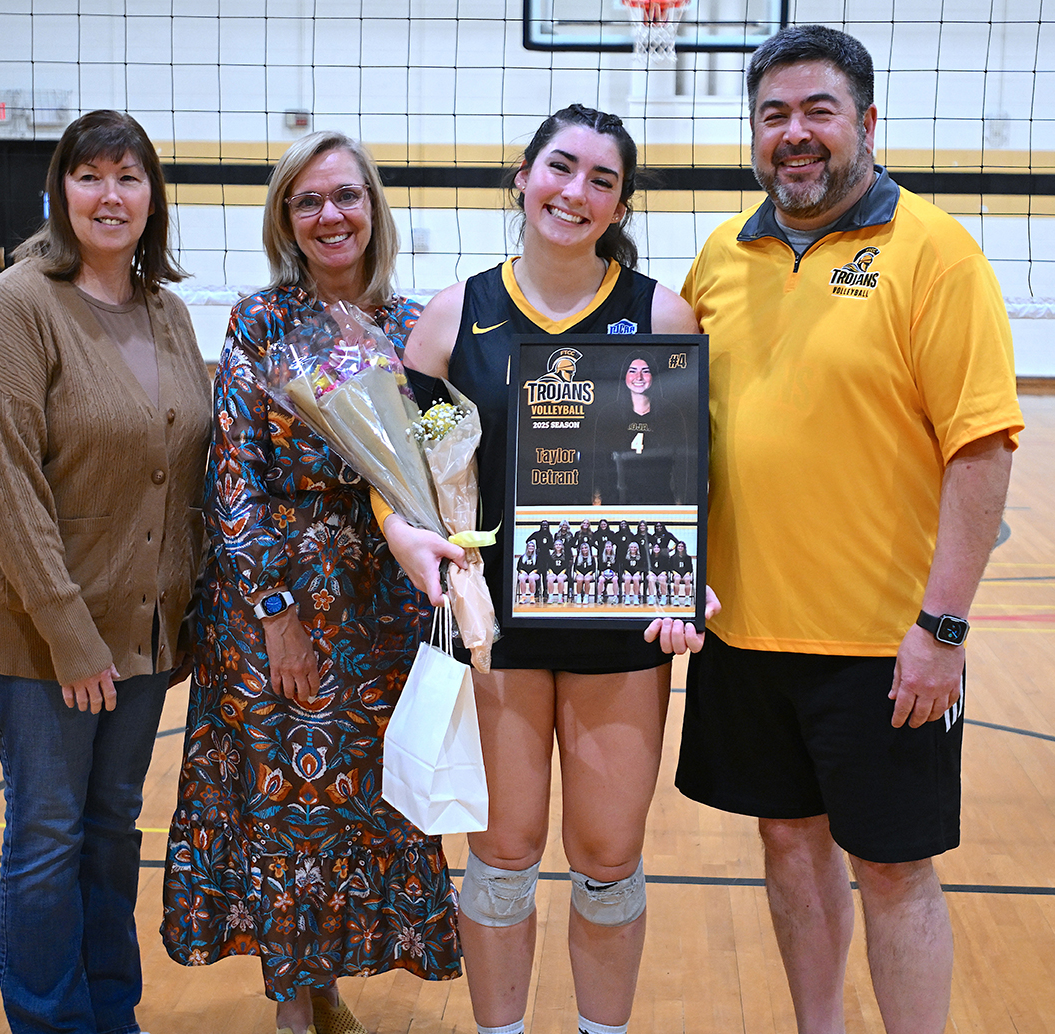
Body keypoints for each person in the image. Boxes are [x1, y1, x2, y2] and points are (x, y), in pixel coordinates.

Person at [675, 26, 1023, 1034]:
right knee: (788, 846)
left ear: (865, 123)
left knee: (892, 867)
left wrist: (942, 629)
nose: (794, 134)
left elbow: (982, 451)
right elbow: (658, 431)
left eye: (817, 111)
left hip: (883, 646)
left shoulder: (935, 255)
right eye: (774, 114)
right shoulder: (719, 258)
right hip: (745, 634)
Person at [384, 103, 718, 1034]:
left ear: (620, 203)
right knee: (503, 852)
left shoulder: (659, 313)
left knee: (609, 856)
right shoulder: (453, 320)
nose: (576, 193)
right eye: (561, 169)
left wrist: (691, 579)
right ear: (523, 177)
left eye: (601, 180)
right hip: (499, 628)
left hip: (623, 620)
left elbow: (693, 480)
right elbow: (408, 479)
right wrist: (410, 538)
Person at [160, 131, 461, 1034]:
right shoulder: (259, 322)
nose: (330, 215)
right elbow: (233, 479)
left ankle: (327, 981)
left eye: (346, 197)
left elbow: (449, 462)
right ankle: (296, 1004)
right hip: (275, 601)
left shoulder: (420, 328)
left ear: (373, 208)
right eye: (308, 201)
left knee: (359, 805)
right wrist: (276, 615)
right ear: (286, 220)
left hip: (387, 604)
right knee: (278, 802)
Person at [0, 109, 211, 1034]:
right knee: (50, 840)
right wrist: (70, 636)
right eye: (90, 175)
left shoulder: (168, 314)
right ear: (61, 190)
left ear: (152, 198)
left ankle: (110, 1010)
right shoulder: (15, 308)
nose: (110, 194)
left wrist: (179, 620)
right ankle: (51, 1021)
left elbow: (180, 478)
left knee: (109, 836)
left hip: (135, 638)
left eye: (128, 177)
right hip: (38, 638)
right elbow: (3, 489)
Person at [591, 350, 692, 505]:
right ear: (624, 375)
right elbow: (600, 467)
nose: (639, 377)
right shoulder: (609, 415)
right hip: (619, 504)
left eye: (645, 371)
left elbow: (683, 466)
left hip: (662, 502)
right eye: (632, 371)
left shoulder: (670, 414)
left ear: (654, 376)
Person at [516, 538, 541, 604]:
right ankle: (523, 596)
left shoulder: (537, 557)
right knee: (521, 577)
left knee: (531, 578)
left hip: (534, 574)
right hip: (525, 574)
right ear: (527, 547)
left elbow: (540, 568)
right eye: (529, 546)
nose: (531, 547)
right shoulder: (523, 557)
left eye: (532, 546)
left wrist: (534, 571)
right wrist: (522, 571)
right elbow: (518, 567)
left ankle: (532, 596)